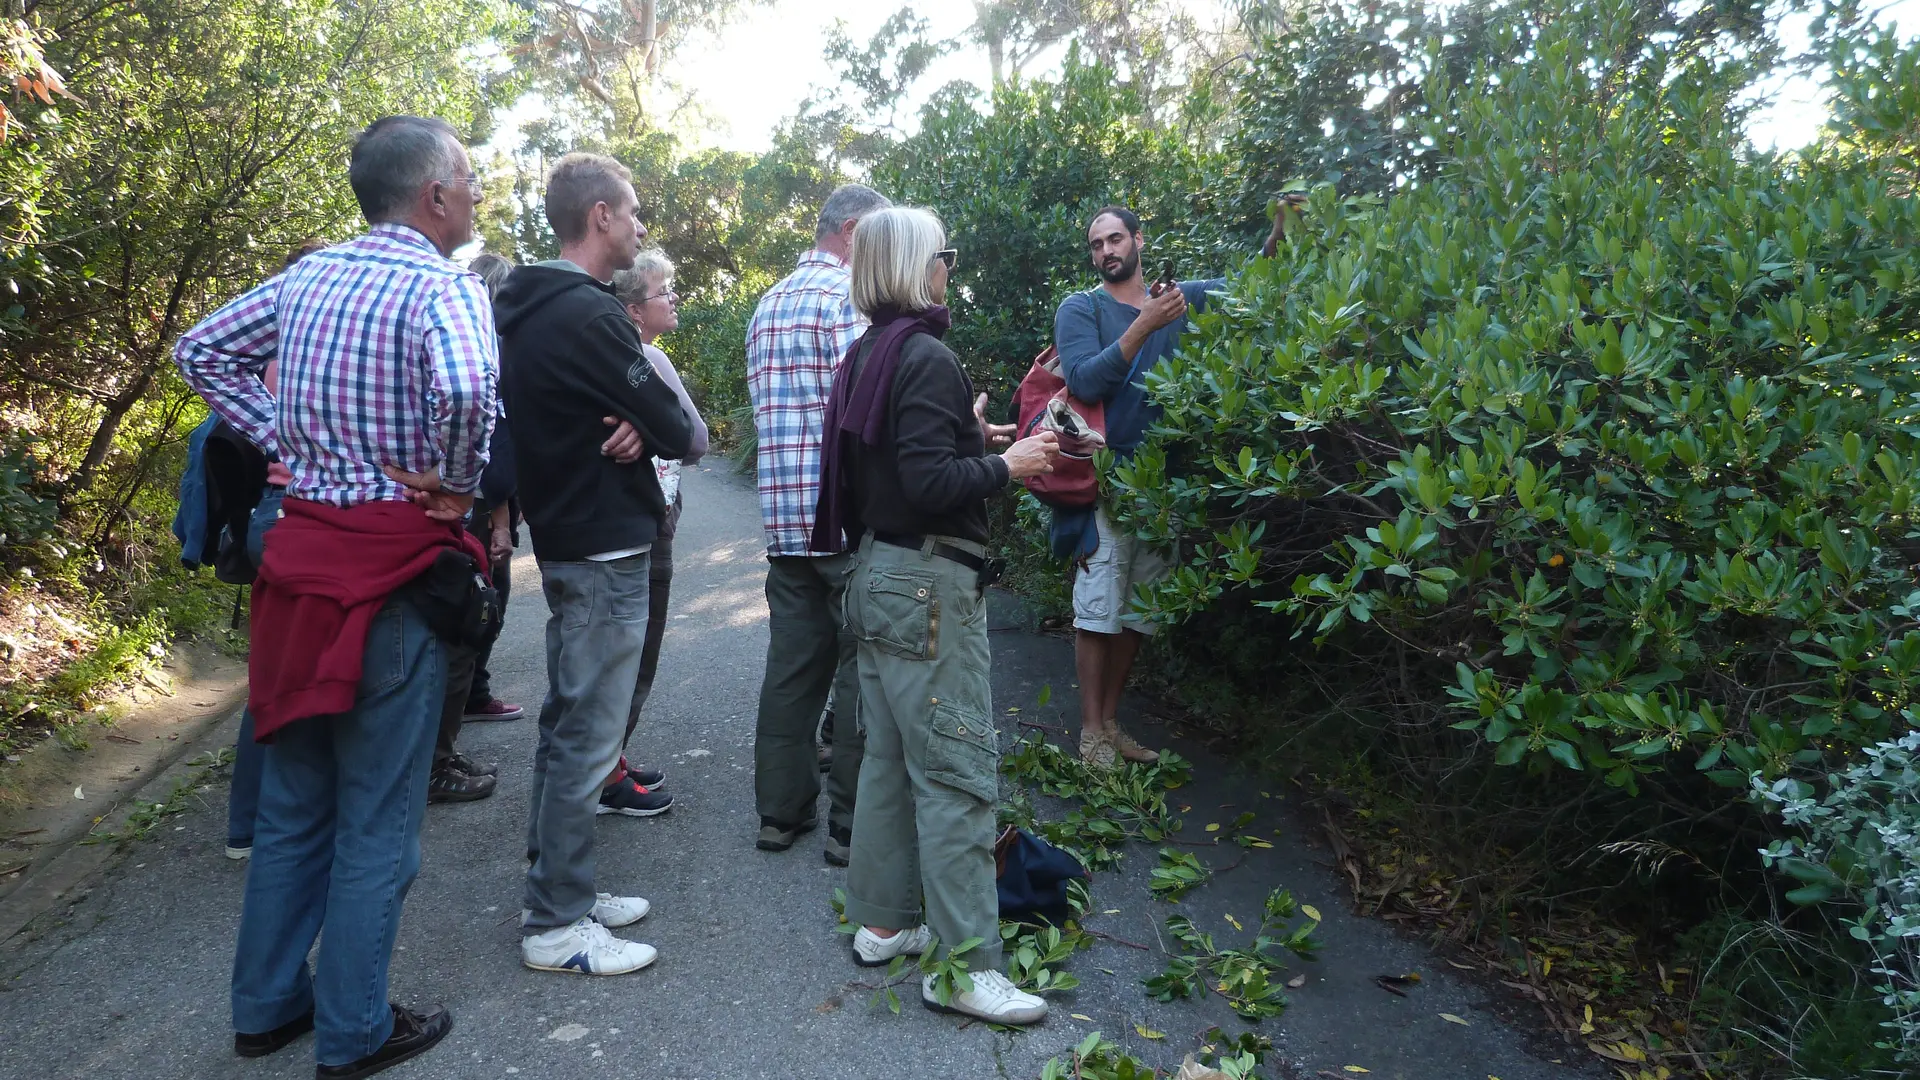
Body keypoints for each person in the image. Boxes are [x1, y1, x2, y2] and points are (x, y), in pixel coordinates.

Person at [175, 115, 494, 1078]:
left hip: (297, 569)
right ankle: (354, 1030)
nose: (476, 196)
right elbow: (472, 390)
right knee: (379, 821)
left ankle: (268, 1007)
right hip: (391, 580)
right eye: (469, 181)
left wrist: (286, 435)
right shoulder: (444, 288)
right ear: (434, 195)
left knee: (295, 807)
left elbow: (200, 349)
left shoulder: (308, 278)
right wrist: (454, 480)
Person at [813, 206, 1061, 1025]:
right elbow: (928, 484)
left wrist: (975, 437)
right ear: (919, 266)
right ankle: (963, 969)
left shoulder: (869, 356)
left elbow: (897, 466)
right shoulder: (924, 356)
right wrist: (1009, 462)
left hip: (876, 573)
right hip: (925, 585)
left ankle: (883, 922)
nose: (949, 267)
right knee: (955, 773)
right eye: (943, 255)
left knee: (887, 755)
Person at [493, 152, 694, 976]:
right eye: (634, 211)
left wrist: (639, 422)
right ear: (602, 215)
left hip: (571, 542)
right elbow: (681, 426)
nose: (642, 226)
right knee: (586, 736)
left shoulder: (526, 306)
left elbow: (642, 419)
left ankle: (562, 883)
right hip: (605, 551)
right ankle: (557, 922)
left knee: (565, 726)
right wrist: (649, 423)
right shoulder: (588, 317)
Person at [1054, 200, 1302, 768]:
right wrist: (1145, 325)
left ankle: (1111, 722)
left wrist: (1278, 230)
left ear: (1140, 240)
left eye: (1115, 239)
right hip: (1106, 481)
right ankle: (1090, 734)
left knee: (1140, 612)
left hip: (1164, 488)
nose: (1107, 252)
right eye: (1097, 245)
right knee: (1097, 610)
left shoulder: (1180, 297)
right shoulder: (1081, 308)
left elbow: (1253, 279)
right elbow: (1086, 383)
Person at [745, 182, 891, 864]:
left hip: (785, 524)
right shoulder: (847, 303)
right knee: (860, 670)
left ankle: (780, 814)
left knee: (790, 672)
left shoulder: (767, 305)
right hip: (841, 520)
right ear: (855, 232)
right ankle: (849, 825)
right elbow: (867, 420)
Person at [607, 250, 709, 811]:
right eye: (662, 291)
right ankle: (606, 776)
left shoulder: (597, 356)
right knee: (637, 650)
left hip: (615, 520)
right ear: (633, 309)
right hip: (648, 520)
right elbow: (695, 441)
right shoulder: (648, 359)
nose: (672, 298)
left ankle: (610, 761)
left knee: (612, 651)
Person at [459, 253, 527, 729]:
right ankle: (469, 694)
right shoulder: (492, 349)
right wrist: (502, 519)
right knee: (484, 598)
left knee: (479, 594)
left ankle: (469, 693)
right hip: (476, 501)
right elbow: (491, 446)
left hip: (469, 498)